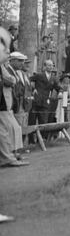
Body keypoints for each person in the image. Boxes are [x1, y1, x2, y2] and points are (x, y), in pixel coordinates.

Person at [1, 26, 29, 167]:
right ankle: (8, 157)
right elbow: (9, 80)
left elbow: (11, 80)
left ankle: (12, 155)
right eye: (21, 61)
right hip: (5, 103)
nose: (23, 64)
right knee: (7, 130)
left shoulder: (3, 66)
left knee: (14, 129)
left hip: (7, 103)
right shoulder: (5, 66)